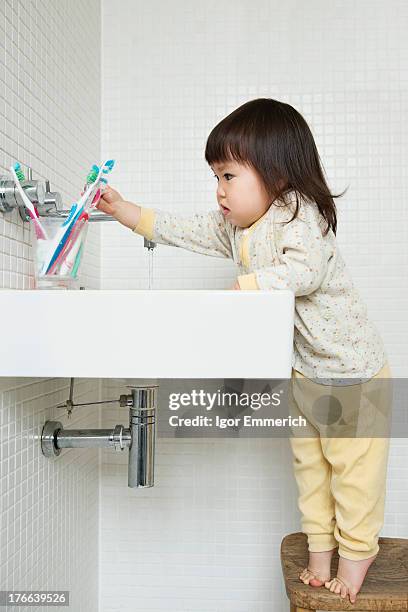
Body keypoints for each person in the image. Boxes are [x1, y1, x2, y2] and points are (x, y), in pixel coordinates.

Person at [96, 98, 392, 605]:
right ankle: (320, 550)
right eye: (217, 177)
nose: (219, 191)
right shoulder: (236, 228)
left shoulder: (301, 214)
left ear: (275, 172)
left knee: (353, 475)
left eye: (228, 176)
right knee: (311, 469)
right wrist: (126, 211)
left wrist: (251, 287)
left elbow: (306, 272)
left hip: (352, 375)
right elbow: (183, 230)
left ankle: (359, 552)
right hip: (305, 373)